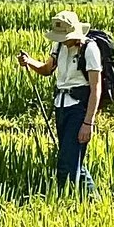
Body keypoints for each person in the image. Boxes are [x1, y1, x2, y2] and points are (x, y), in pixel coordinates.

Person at [19, 10, 104, 194]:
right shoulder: (58, 46)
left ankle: (65, 200)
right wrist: (29, 61)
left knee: (67, 163)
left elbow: (96, 88)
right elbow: (47, 69)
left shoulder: (90, 49)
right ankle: (94, 202)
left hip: (78, 109)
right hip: (61, 106)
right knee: (73, 159)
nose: (62, 39)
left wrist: (88, 123)